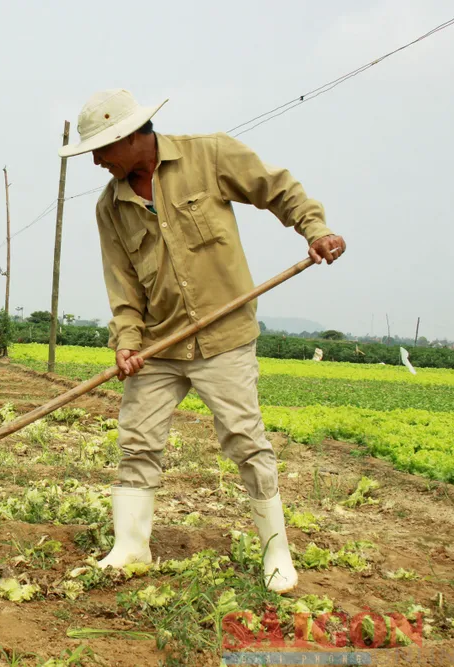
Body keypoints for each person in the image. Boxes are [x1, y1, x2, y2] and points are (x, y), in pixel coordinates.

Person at [58, 89, 346, 593]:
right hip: (159, 345)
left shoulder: (208, 155)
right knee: (137, 439)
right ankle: (130, 545)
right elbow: (123, 285)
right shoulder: (112, 207)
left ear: (130, 138)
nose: (98, 162)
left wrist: (314, 229)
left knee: (244, 439)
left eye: (102, 150)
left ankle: (275, 550)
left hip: (225, 336)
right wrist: (127, 341)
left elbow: (277, 189)